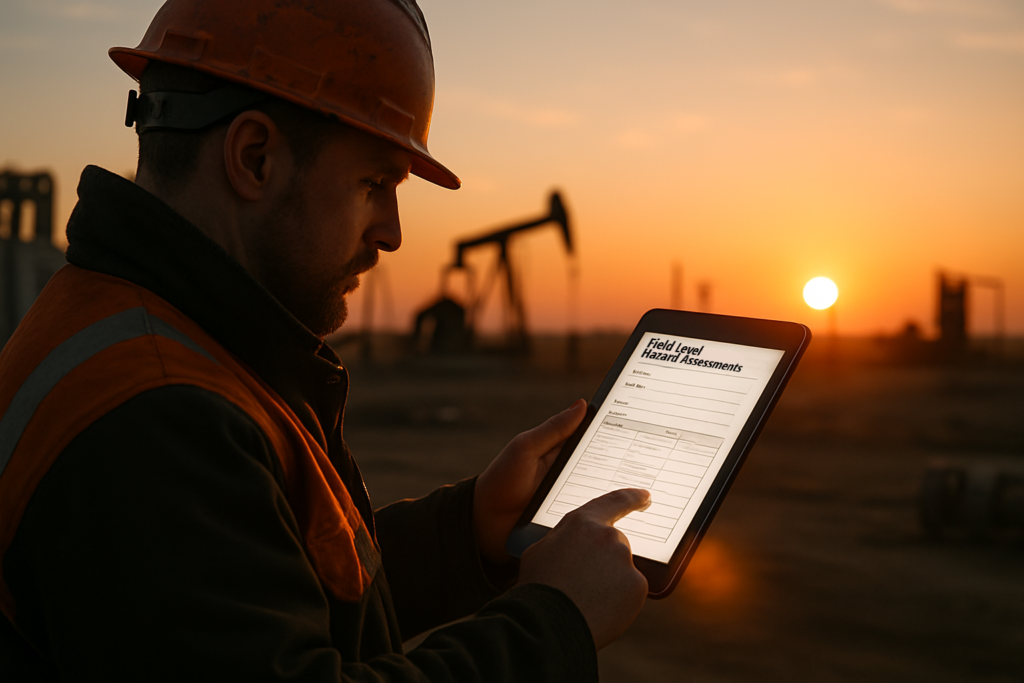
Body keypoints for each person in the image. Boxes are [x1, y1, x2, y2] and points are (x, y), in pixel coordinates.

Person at [0, 1, 650, 680]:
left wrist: (469, 532)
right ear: (254, 158)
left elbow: (264, 588)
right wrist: (556, 618)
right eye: (375, 183)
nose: (393, 232)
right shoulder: (157, 415)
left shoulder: (149, 330)